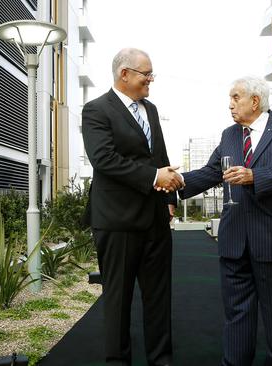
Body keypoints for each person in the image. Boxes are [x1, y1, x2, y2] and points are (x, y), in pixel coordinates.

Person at [178, 76, 272, 366]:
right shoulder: (229, 135)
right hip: (234, 240)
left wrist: (255, 177)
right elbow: (211, 172)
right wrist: (173, 183)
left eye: (235, 97)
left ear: (255, 100)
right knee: (237, 315)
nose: (230, 104)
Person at [81, 47, 182, 366]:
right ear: (124, 74)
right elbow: (104, 160)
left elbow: (160, 156)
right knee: (118, 300)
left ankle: (161, 360)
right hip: (117, 222)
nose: (150, 79)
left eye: (152, 74)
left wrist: (168, 198)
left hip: (155, 221)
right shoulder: (96, 110)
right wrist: (155, 177)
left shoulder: (150, 109)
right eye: (146, 73)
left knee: (159, 300)